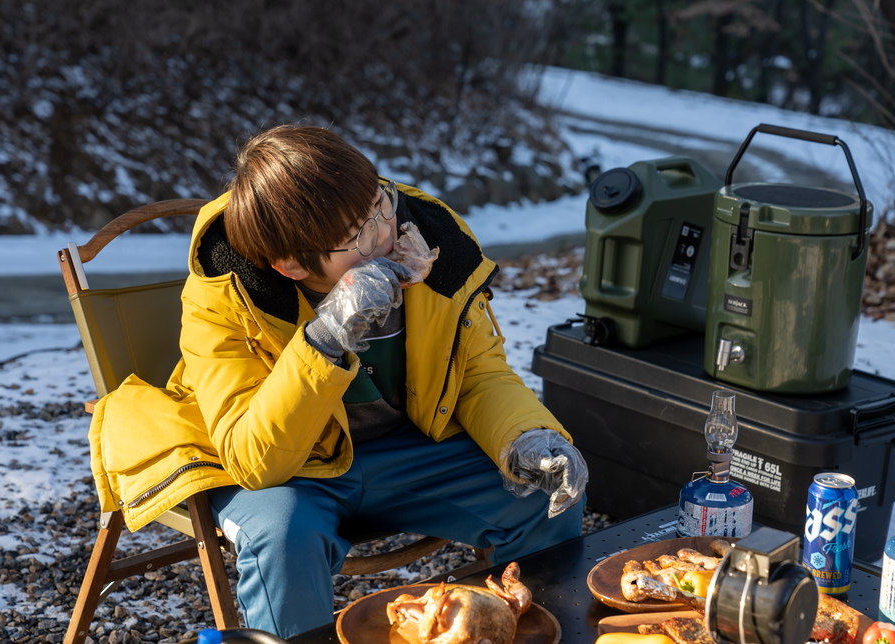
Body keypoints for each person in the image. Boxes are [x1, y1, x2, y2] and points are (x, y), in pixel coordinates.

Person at [87, 124, 588, 638]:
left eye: (380, 207)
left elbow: (478, 371)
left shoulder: (432, 242)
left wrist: (527, 435)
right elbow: (254, 460)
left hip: (407, 449)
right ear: (290, 265)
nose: (384, 236)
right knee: (283, 537)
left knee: (540, 494)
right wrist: (324, 339)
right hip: (294, 472)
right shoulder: (223, 295)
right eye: (356, 236)